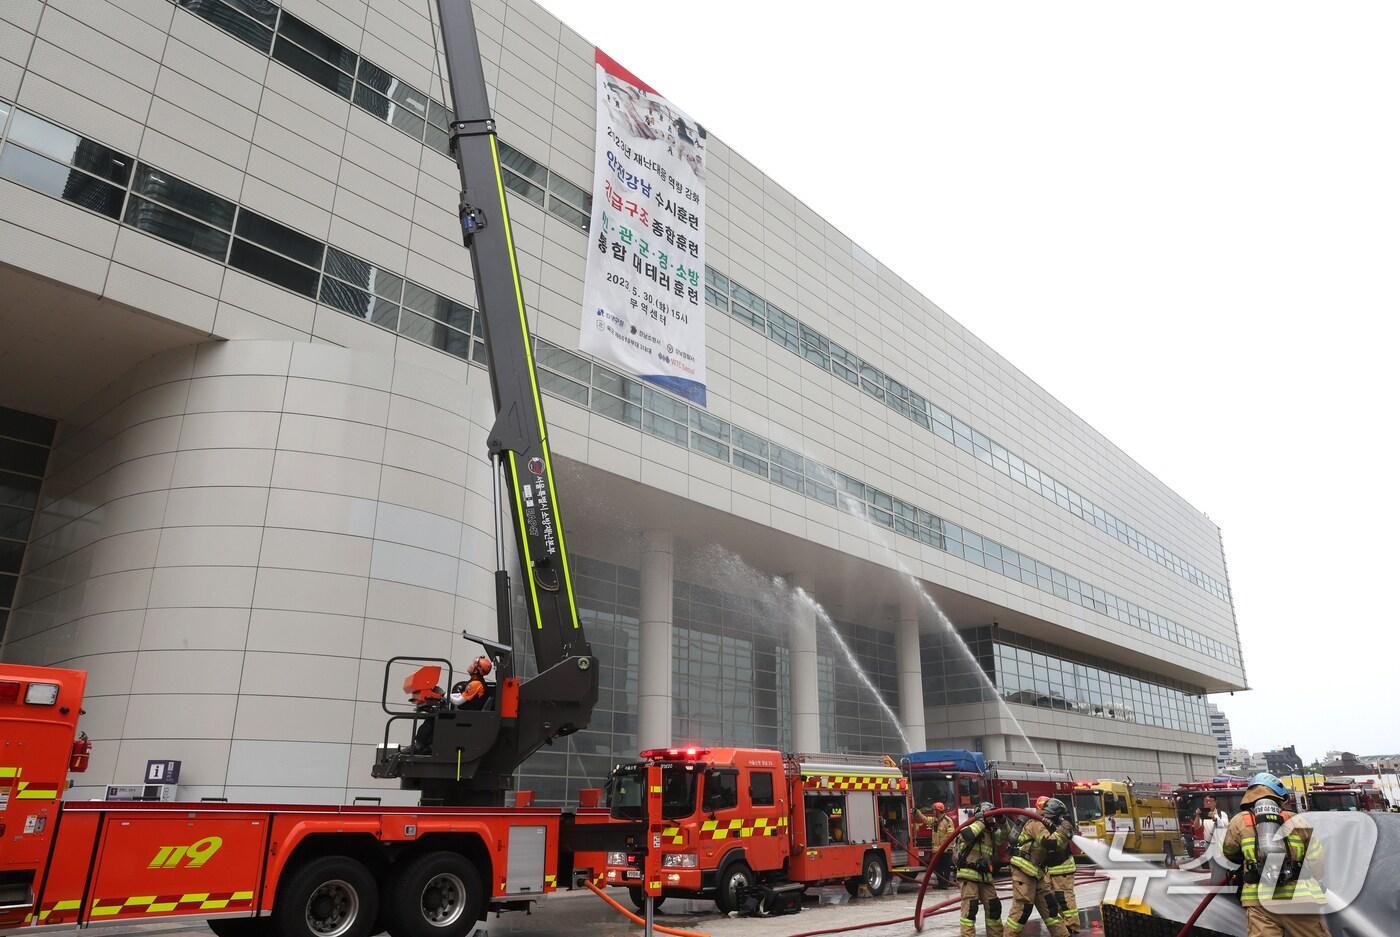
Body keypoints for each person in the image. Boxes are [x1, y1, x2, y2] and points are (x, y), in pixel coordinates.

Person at [1221, 772, 1330, 937]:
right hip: (1300, 899)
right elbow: (1317, 861)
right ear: (1278, 796)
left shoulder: (1239, 821)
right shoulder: (1297, 820)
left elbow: (1229, 852)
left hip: (1259, 901)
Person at [1007, 804, 1069, 937]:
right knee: (1022, 910)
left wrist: (1064, 833)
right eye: (1060, 817)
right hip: (1024, 870)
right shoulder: (1036, 823)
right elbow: (1049, 842)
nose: (1061, 820)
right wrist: (1063, 832)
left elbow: (1058, 849)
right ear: (1052, 815)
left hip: (1037, 873)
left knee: (1050, 908)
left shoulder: (1047, 827)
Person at [954, 803, 1006, 937]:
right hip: (969, 875)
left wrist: (1002, 822)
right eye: (989, 815)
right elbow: (967, 835)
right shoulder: (971, 827)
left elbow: (1006, 836)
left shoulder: (991, 833)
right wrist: (981, 821)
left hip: (985, 877)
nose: (991, 818)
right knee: (970, 911)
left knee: (994, 908)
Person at [1040, 797, 1079, 935]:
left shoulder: (1064, 825)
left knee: (1064, 900)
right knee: (1053, 902)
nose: (1044, 816)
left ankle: (1072, 927)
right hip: (1050, 869)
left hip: (1063, 868)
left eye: (1047, 813)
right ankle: (1062, 928)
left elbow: (1052, 843)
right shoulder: (1045, 823)